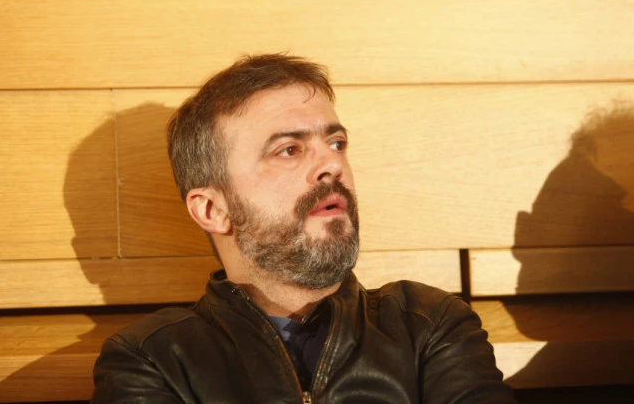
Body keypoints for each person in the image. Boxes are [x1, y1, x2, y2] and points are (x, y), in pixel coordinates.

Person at [91, 54, 515, 403]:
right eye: (289, 150)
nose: (332, 164)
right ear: (213, 210)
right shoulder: (154, 360)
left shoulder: (427, 324)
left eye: (336, 143)